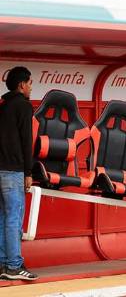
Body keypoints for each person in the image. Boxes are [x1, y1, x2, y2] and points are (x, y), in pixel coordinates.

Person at [0, 66, 38, 282]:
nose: (31, 87)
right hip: (13, 170)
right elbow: (26, 141)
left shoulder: (2, 105)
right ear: (22, 84)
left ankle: (3, 264)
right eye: (30, 83)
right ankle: (14, 266)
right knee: (14, 217)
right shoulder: (23, 106)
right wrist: (28, 172)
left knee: (3, 216)